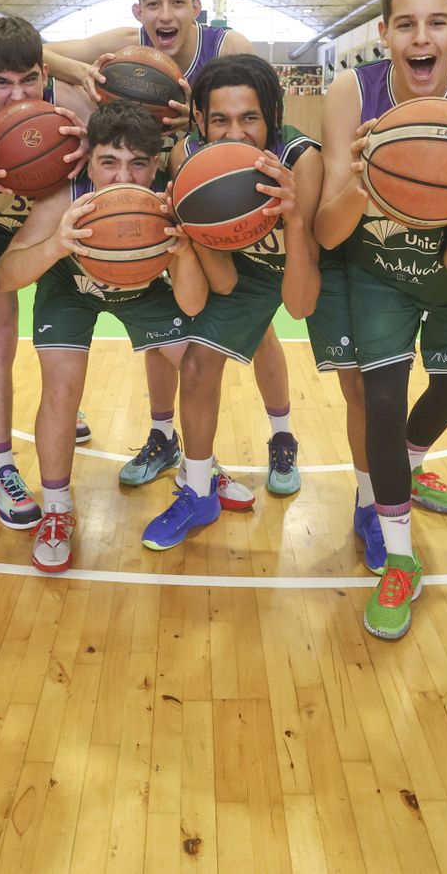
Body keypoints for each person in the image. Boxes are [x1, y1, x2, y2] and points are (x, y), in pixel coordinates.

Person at [44, 0, 302, 496]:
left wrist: (202, 125)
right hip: (144, 191)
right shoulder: (120, 40)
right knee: (160, 330)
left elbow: (258, 108)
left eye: (177, 2)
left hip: (216, 191)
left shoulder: (225, 47)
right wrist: (79, 72)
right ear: (139, 10)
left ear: (196, 7)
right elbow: (35, 52)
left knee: (258, 330)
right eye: (154, 3)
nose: (166, 14)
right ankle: (164, 436)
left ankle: (282, 436)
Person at [315, 0, 447, 639]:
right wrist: (360, 182)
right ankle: (398, 556)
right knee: (379, 399)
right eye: (406, 24)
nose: (421, 37)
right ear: (384, 32)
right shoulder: (352, 92)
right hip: (374, 266)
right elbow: (327, 229)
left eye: (436, 22)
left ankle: (409, 465)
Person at [0, 101, 207, 573]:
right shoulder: (63, 198)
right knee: (61, 388)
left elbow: (193, 306)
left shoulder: (167, 205)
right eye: (108, 163)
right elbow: (7, 276)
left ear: (155, 166)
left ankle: (200, 476)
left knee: (197, 365)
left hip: (142, 292)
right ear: (89, 161)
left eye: (137, 164)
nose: (120, 177)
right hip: (71, 291)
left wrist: (183, 251)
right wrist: (56, 245)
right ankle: (55, 510)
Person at [156, 55, 322, 542]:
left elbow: (299, 303)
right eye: (221, 120)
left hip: (299, 265)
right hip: (243, 270)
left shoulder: (301, 161)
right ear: (201, 122)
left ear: (271, 115)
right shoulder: (189, 159)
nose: (235, 133)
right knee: (200, 363)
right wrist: (190, 224)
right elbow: (225, 284)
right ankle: (201, 491)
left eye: (249, 118)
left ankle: (284, 436)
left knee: (349, 377)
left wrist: (293, 220)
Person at [0, 16, 93, 528]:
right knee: (1, 336)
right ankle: (3, 468)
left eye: (29, 79)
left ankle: (64, 414)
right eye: (2, 83)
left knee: (63, 340)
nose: (17, 94)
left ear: (43, 72)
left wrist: (86, 152)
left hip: (50, 233)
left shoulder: (69, 106)